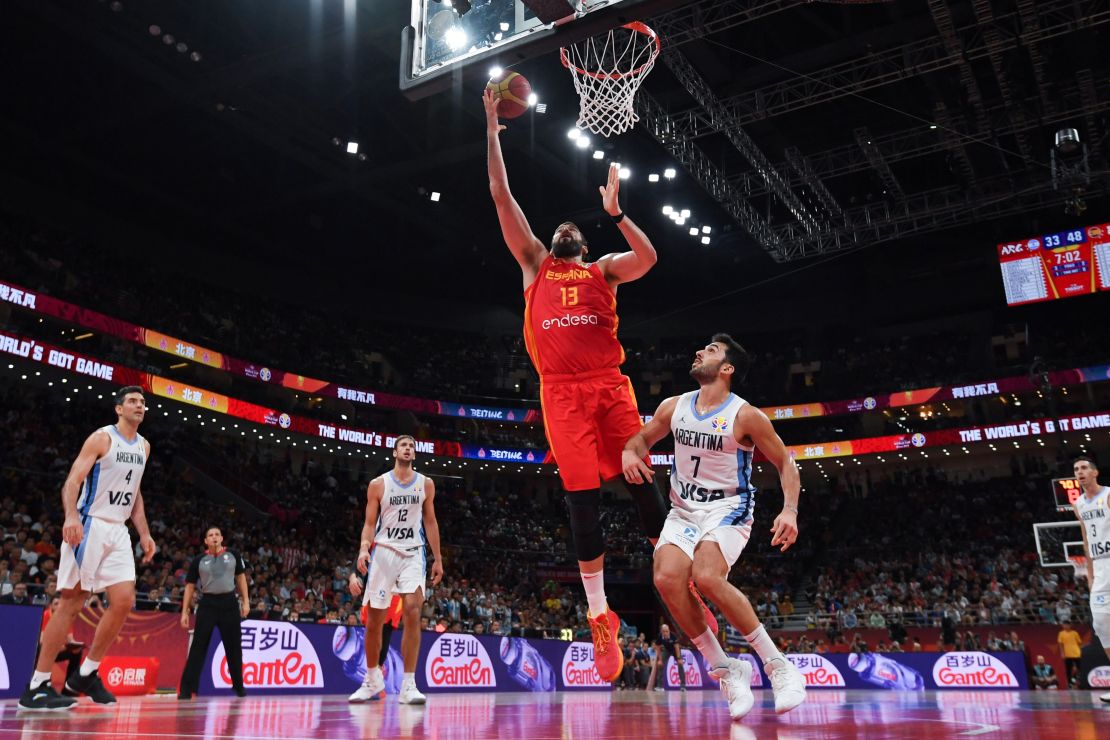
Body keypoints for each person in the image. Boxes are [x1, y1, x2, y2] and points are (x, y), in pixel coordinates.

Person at [484, 87, 671, 684]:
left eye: (573, 226)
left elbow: (649, 259)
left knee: (644, 482)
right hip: (561, 392)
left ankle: (680, 570)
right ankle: (599, 617)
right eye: (559, 225)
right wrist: (491, 124)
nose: (563, 228)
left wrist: (617, 213)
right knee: (582, 503)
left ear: (584, 244)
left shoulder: (603, 271)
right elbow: (500, 194)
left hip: (610, 387)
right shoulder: (536, 263)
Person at [623, 335, 807, 720]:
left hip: (729, 506)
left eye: (710, 350)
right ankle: (727, 669)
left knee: (706, 576)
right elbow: (642, 438)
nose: (699, 352)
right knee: (667, 579)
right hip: (683, 510)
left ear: (727, 368)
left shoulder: (745, 415)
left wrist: (789, 510)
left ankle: (778, 666)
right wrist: (629, 451)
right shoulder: (674, 407)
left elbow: (786, 464)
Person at [19, 386, 157, 711]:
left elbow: (134, 494)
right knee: (72, 602)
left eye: (143, 403)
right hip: (90, 523)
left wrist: (145, 533)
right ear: (119, 409)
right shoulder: (101, 438)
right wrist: (70, 515)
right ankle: (37, 685)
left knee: (123, 601)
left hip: (119, 530)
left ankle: (86, 673)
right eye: (133, 402)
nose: (140, 406)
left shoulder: (145, 447)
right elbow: (72, 481)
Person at [348, 435, 443, 705]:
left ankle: (409, 684)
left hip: (413, 552)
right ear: (394, 452)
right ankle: (372, 679)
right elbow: (369, 523)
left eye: (412, 446)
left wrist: (438, 558)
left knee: (413, 610)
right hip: (384, 552)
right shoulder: (378, 484)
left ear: (415, 453)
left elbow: (431, 521)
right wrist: (364, 547)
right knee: (375, 621)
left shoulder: (426, 484)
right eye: (403, 445)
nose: (408, 448)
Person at [178, 526, 250, 699]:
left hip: (229, 603)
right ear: (205, 541)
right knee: (198, 647)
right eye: (210, 535)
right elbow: (189, 586)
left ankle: (239, 687)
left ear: (222, 538)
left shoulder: (233, 555)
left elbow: (241, 579)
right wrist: (184, 612)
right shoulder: (199, 560)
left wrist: (246, 602)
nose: (214, 537)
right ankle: (187, 689)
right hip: (208, 603)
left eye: (217, 534)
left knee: (233, 647)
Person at [1071, 455, 1110, 702]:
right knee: (1102, 625)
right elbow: (1086, 539)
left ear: (1095, 473)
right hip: (1101, 568)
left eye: (1084, 468)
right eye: (1076, 469)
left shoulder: (1108, 495)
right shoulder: (1079, 504)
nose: (1080, 472)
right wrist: (1089, 572)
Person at [348, 572, 403, 700]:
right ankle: (373, 679)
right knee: (371, 629)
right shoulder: (371, 552)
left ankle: (376, 682)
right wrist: (353, 577)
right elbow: (360, 559)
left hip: (394, 591)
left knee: (385, 629)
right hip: (373, 587)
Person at [1057, 621, 1082, 688]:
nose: (1066, 626)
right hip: (1067, 655)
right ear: (1062, 625)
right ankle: (1069, 684)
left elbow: (1079, 643)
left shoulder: (1075, 633)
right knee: (1068, 670)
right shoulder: (1061, 633)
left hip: (1077, 654)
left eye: (1067, 625)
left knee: (1079, 669)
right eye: (1064, 625)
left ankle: (1079, 683)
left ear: (1070, 625)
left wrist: (1079, 651)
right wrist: (1062, 653)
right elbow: (1060, 644)